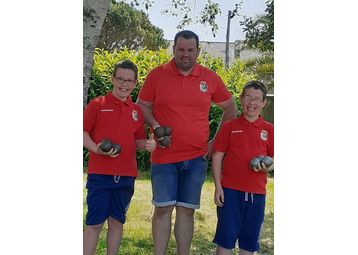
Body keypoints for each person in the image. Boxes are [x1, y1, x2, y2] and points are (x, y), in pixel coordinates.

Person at [137, 30, 238, 255]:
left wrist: (215, 142)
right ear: (173, 49)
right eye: (180, 49)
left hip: (196, 158)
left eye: (191, 50)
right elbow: (142, 105)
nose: (185, 54)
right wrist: (155, 126)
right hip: (163, 157)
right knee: (162, 210)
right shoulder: (157, 75)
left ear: (198, 51)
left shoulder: (209, 78)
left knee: (186, 212)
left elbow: (231, 108)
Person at [83, 60, 157, 255]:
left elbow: (139, 141)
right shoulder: (97, 104)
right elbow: (82, 133)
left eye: (129, 81)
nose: (124, 84)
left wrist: (148, 146)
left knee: (116, 223)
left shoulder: (136, 111)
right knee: (94, 224)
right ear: (113, 79)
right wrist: (96, 149)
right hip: (100, 175)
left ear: (135, 83)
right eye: (120, 79)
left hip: (125, 177)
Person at [211, 81, 274, 255]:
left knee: (248, 243)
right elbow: (217, 157)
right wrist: (218, 187)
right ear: (241, 99)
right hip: (230, 191)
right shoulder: (230, 127)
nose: (252, 103)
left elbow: (275, 159)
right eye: (248, 98)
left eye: (256, 99)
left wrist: (267, 168)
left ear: (264, 102)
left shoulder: (270, 130)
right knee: (225, 240)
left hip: (257, 194)